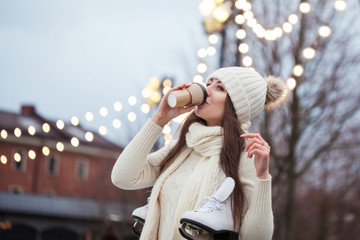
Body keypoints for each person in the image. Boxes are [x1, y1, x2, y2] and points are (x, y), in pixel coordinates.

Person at [111, 67, 287, 240]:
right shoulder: (181, 148)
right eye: (208, 83)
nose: (206, 90)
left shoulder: (244, 155)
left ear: (237, 105)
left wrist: (262, 177)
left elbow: (255, 237)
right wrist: (159, 119)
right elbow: (123, 177)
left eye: (219, 88)